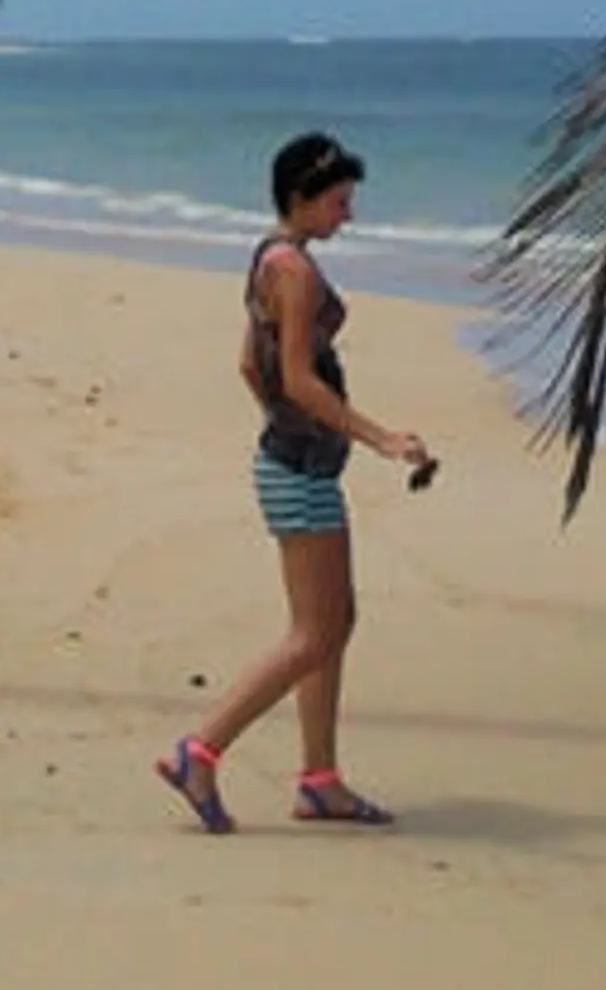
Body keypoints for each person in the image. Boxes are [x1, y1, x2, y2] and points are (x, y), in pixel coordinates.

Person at [156, 130, 429, 833]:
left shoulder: (270, 258)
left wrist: (285, 425)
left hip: (288, 462)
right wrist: (380, 439)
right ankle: (201, 750)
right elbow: (300, 379)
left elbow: (253, 365)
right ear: (303, 199)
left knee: (329, 626)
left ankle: (320, 779)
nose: (348, 215)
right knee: (317, 633)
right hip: (300, 470)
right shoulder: (298, 274)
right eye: (339, 202)